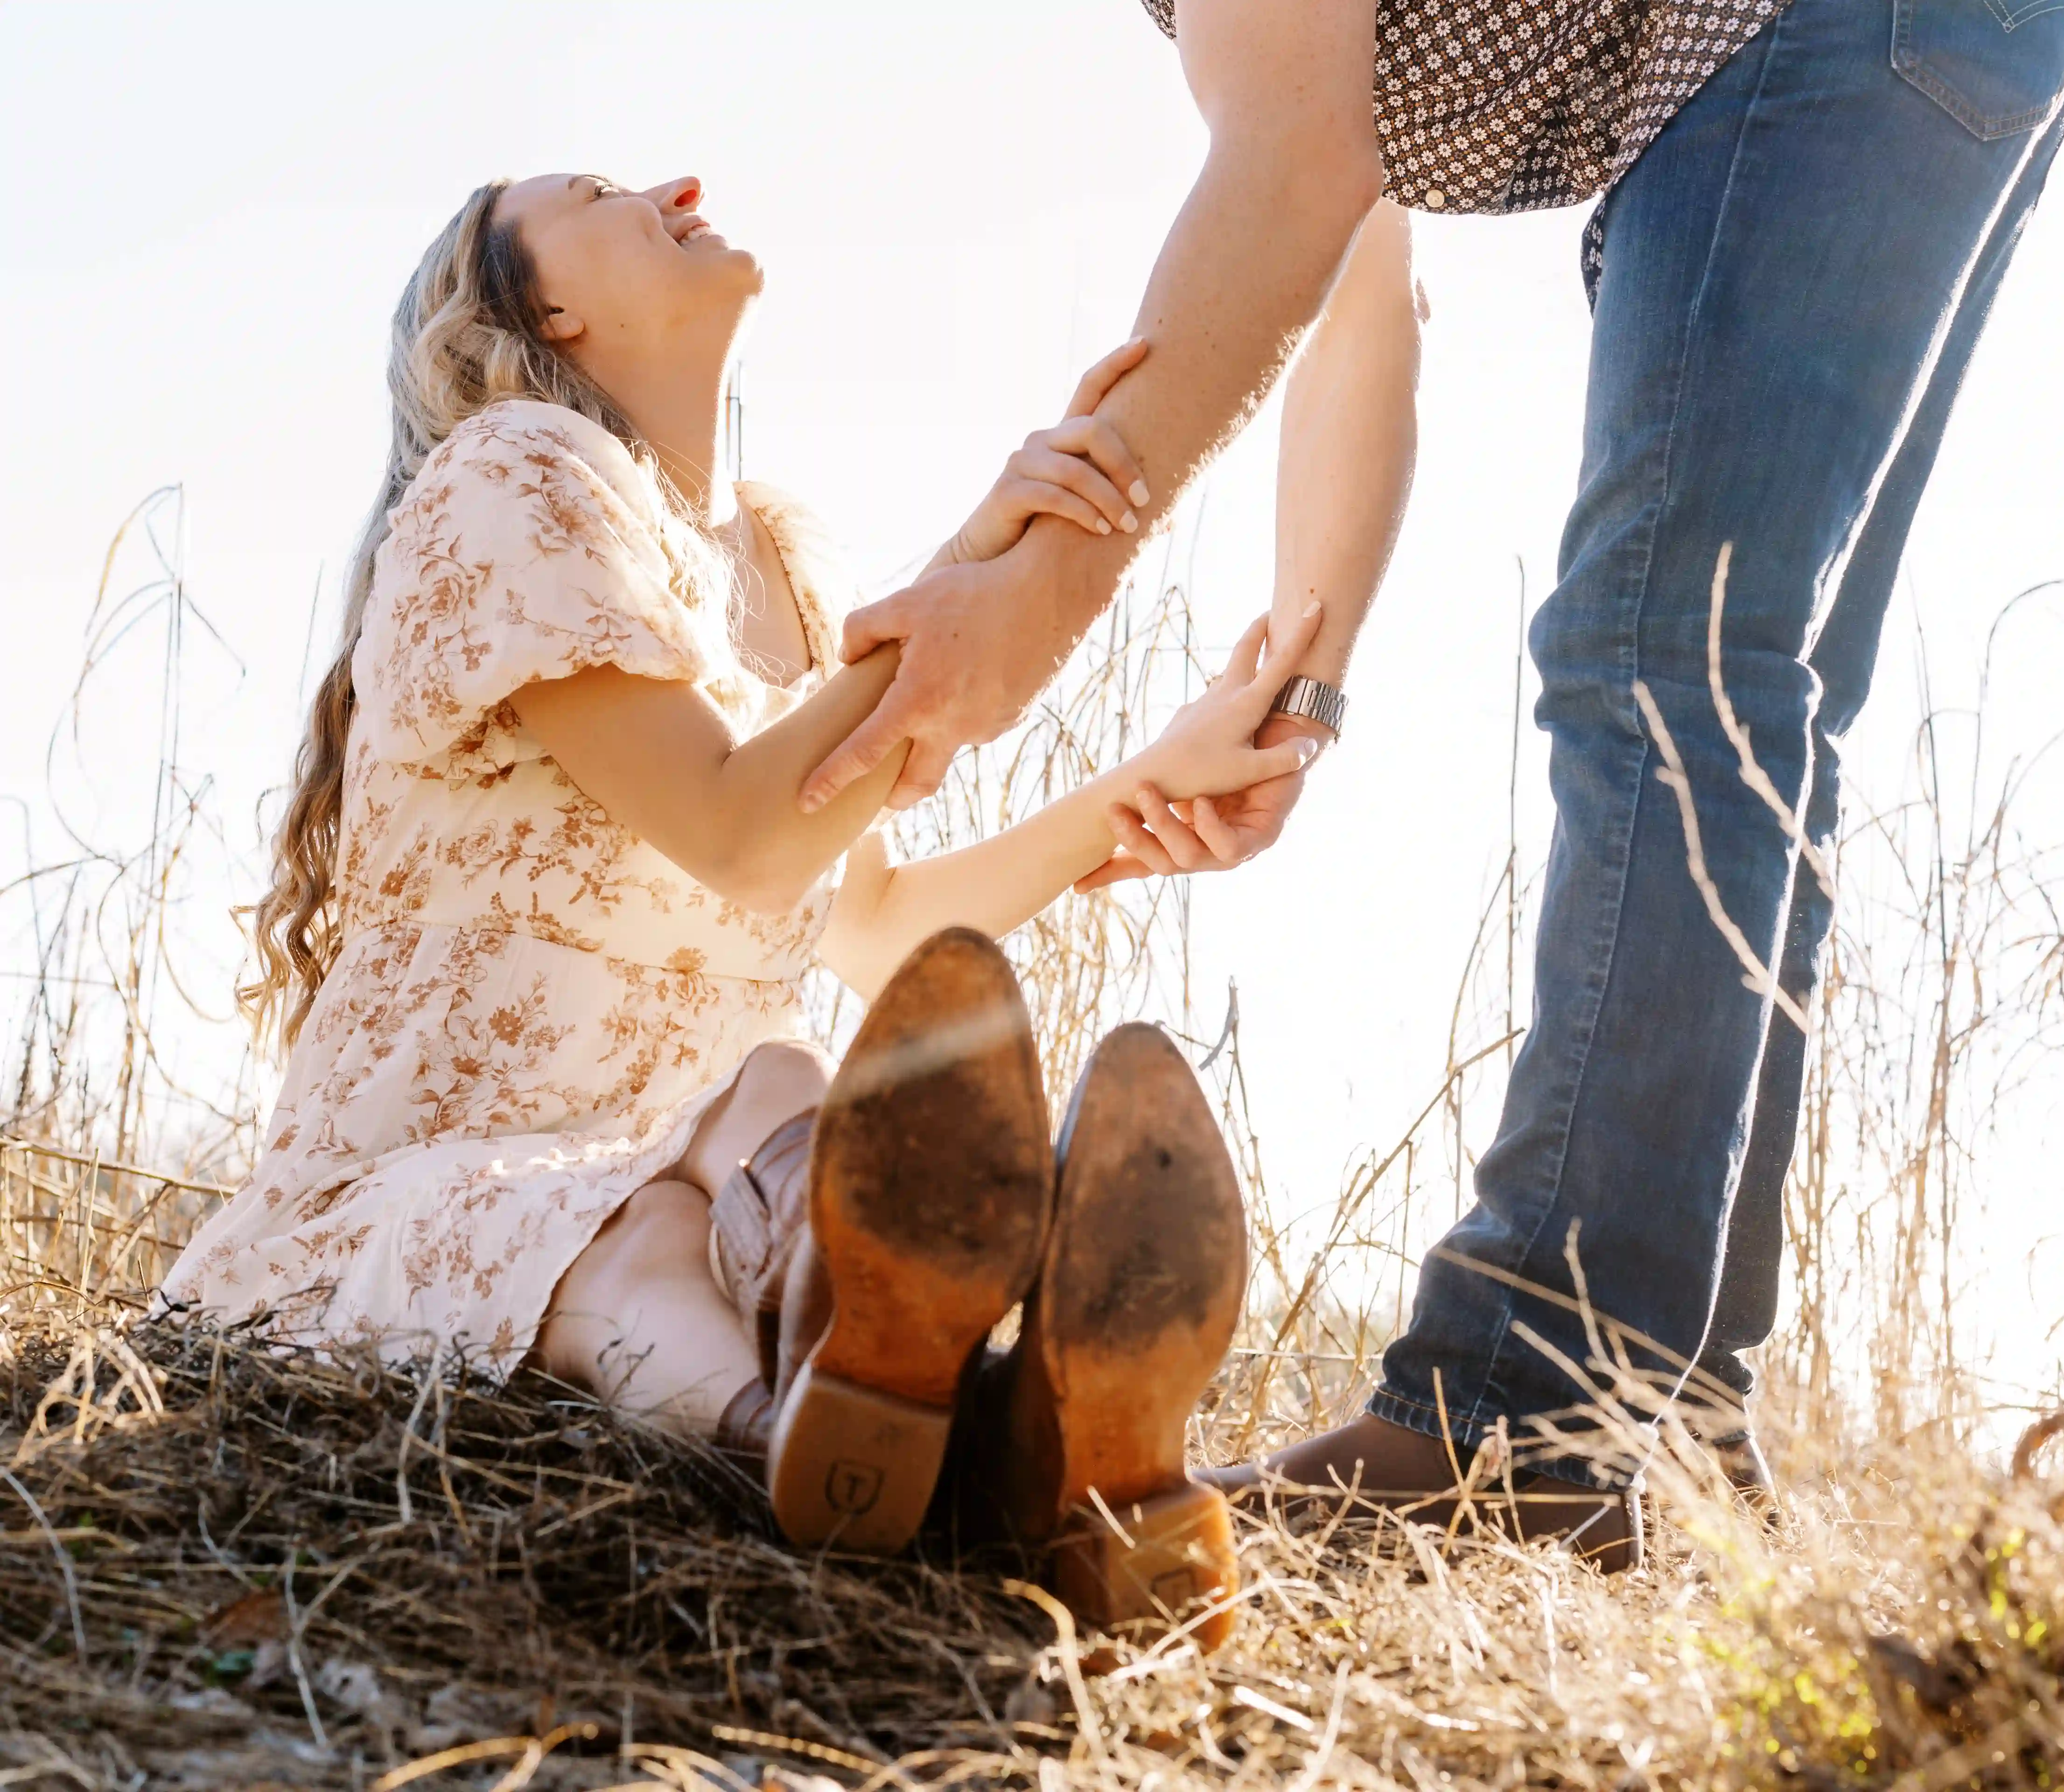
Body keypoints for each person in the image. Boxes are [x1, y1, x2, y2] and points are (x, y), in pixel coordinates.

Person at [802, 0, 2064, 1566]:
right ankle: (1659, 1417)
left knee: (1672, 659)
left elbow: (1297, 176)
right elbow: (1357, 282)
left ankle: (1527, 1413)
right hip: (1909, 45)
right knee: (1753, 699)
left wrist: (1029, 606)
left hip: (1819, 38)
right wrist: (1296, 695)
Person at [158, 171, 1321, 1641]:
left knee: (766, 1084)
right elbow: (737, 832)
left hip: (689, 1165)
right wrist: (969, 571)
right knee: (663, 1192)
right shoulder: (510, 473)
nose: (669, 186)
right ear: (548, 310)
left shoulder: (777, 556)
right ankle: (938, 1456)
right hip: (424, 1189)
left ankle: (943, 1425)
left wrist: (1140, 791)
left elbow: (874, 926)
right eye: (593, 194)